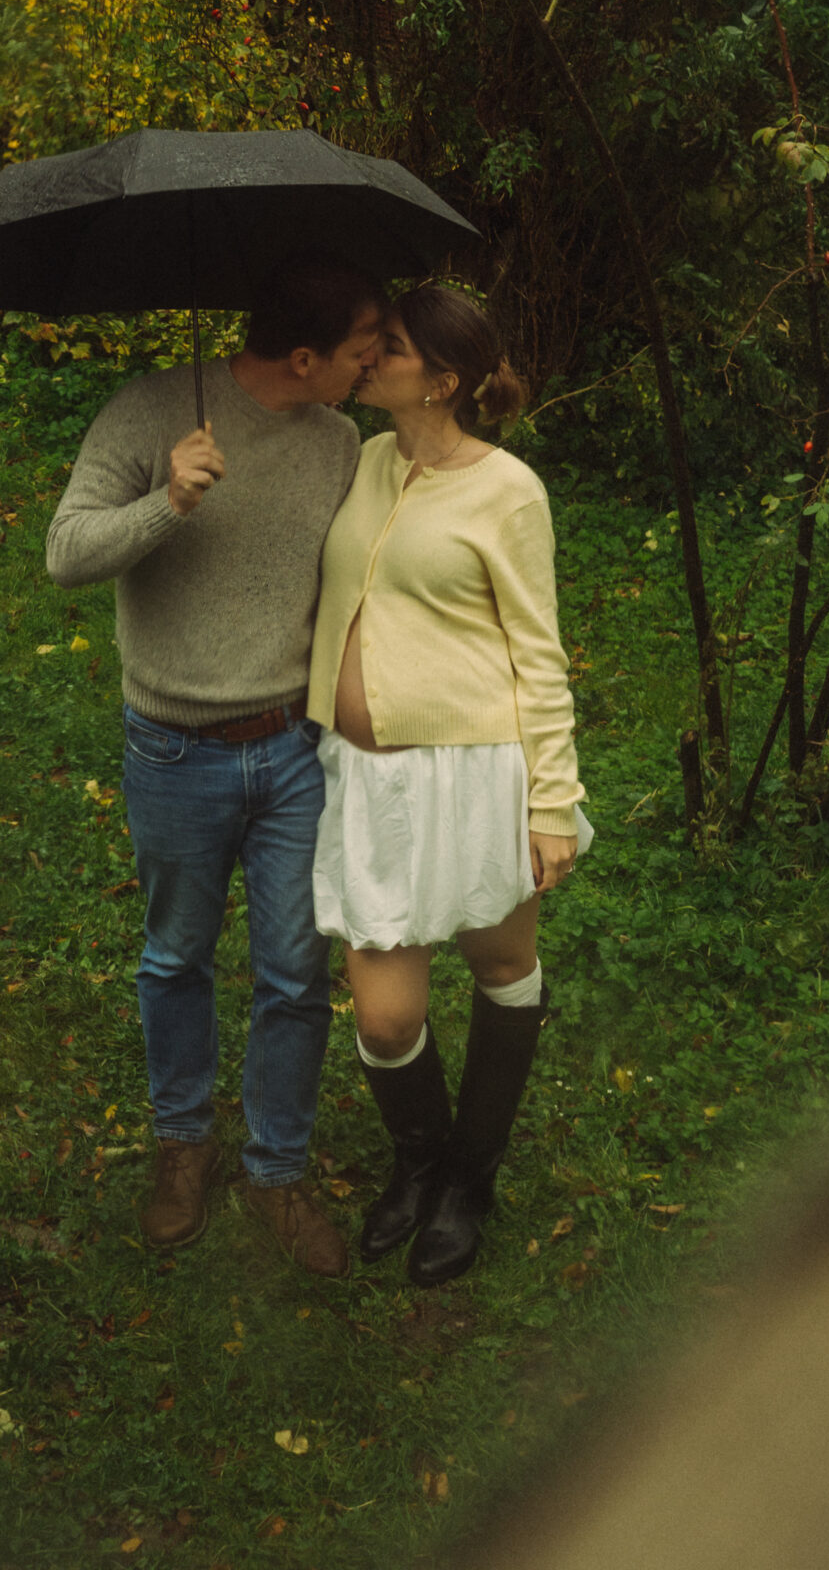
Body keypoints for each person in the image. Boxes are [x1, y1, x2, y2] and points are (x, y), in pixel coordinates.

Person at [45, 252, 383, 1277]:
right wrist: (169, 502)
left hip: (290, 747)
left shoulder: (340, 443)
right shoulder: (150, 415)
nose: (374, 364)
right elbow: (65, 553)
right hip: (175, 748)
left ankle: (277, 1169)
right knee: (176, 957)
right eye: (362, 350)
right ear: (303, 354)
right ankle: (182, 1145)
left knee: (296, 972)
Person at [306, 283, 590, 1283]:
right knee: (385, 1015)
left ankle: (471, 1179)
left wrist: (551, 804)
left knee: (501, 964)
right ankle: (420, 1161)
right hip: (365, 781)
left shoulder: (507, 490)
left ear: (444, 378)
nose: (366, 357)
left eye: (388, 347)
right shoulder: (362, 462)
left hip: (474, 774)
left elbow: (539, 655)